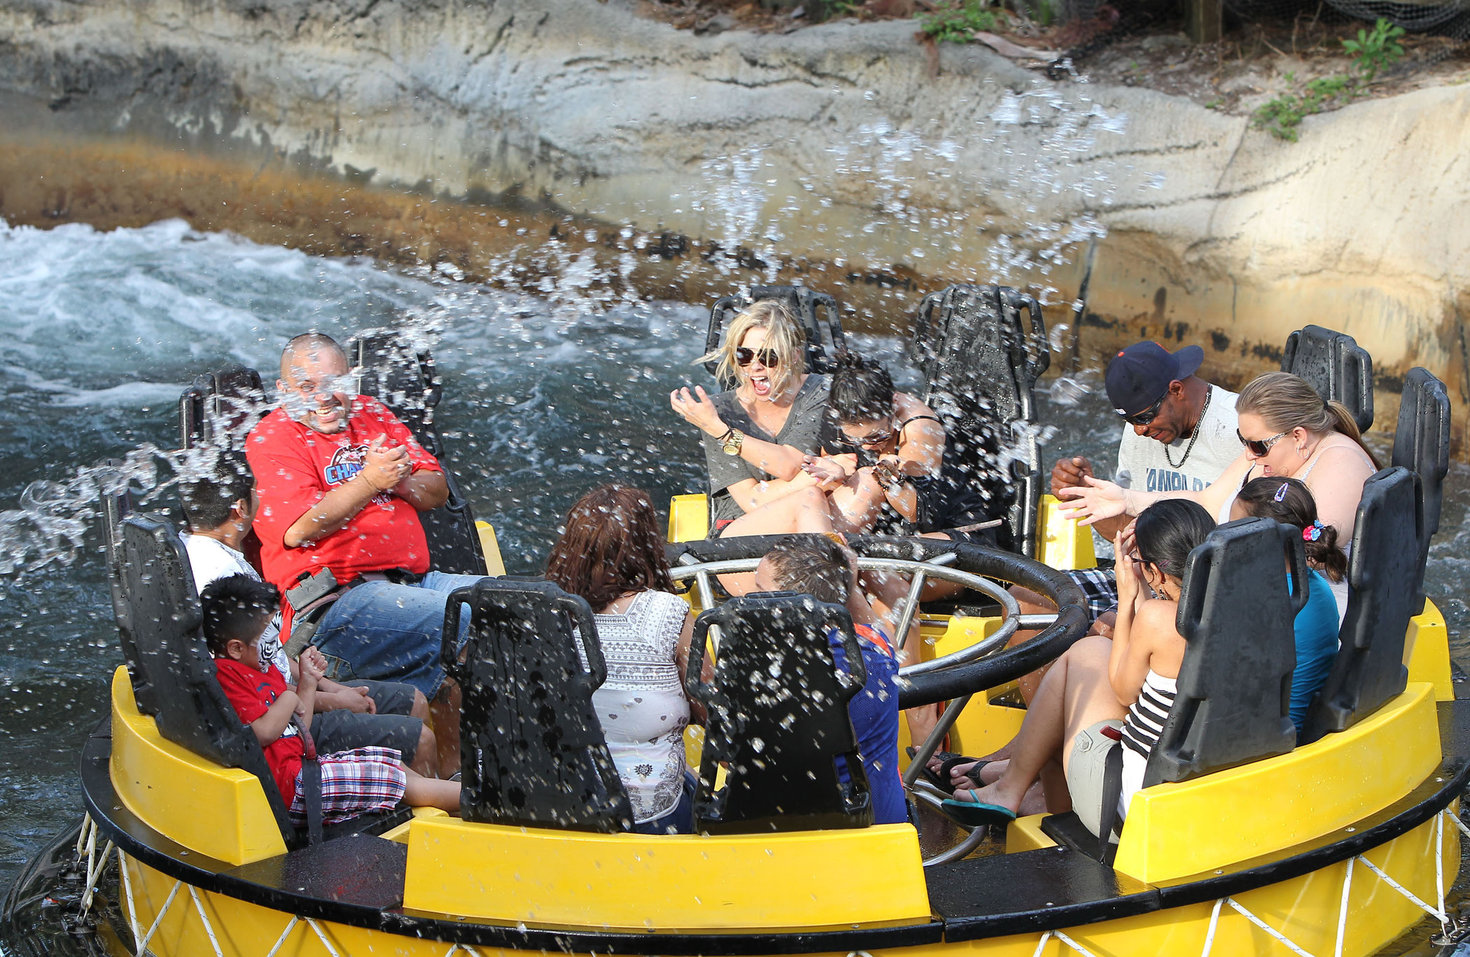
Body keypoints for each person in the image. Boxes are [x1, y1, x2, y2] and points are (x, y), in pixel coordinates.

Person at [245, 332, 485, 776]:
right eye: (307, 386)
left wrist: (395, 479)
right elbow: (299, 529)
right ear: (283, 392)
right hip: (334, 605)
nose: (325, 396)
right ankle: (457, 779)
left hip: (413, 584)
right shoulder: (273, 437)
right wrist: (372, 480)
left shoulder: (372, 413)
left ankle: (498, 758)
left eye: (335, 381)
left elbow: (435, 489)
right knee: (463, 616)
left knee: (517, 607)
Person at [942, 500, 1214, 831]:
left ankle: (1013, 788)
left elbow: (1124, 689)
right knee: (1089, 656)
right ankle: (1014, 786)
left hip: (1136, 804)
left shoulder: (1157, 619)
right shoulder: (1241, 610)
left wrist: (1128, 599)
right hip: (1203, 784)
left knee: (1082, 661)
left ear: (1154, 571)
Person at [178, 455, 440, 778]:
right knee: (422, 740)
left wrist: (333, 689)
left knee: (414, 701)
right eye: (255, 492)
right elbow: (264, 695)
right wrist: (335, 700)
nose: (260, 498)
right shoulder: (223, 580)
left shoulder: (191, 552)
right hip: (285, 732)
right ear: (240, 509)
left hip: (293, 696)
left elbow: (271, 656)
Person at [1060, 370, 1378, 619]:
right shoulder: (1270, 454)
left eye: (1256, 444)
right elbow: (1209, 502)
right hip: (1236, 597)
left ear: (1297, 436)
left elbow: (1305, 557)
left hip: (1287, 618)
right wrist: (1128, 499)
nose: (1249, 455)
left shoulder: (1341, 464)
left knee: (1103, 628)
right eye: (1243, 440)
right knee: (1051, 598)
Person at [202, 574, 460, 825]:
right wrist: (290, 698)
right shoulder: (228, 674)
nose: (277, 646)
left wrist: (308, 682)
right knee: (390, 776)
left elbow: (301, 727)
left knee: (391, 763)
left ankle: (459, 802)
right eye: (269, 638)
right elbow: (265, 731)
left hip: (303, 769)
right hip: (293, 788)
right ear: (236, 648)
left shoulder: (262, 666)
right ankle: (477, 802)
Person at [545, 485, 710, 835]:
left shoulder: (550, 613)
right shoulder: (668, 613)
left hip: (568, 801)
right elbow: (711, 707)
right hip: (651, 811)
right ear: (648, 543)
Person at [752, 535, 906, 826]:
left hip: (789, 832)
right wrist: (848, 585)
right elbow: (884, 639)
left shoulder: (763, 668)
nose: (746, 598)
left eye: (760, 590)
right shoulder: (876, 651)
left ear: (787, 603)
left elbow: (732, 758)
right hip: (879, 827)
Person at [669, 300, 834, 541]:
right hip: (742, 530)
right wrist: (812, 479)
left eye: (768, 357)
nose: (755, 366)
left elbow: (788, 463)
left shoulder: (819, 392)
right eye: (743, 355)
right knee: (810, 497)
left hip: (810, 524)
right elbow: (752, 499)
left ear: (794, 355)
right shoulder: (715, 413)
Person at [1232, 477, 1343, 732]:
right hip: (1301, 722)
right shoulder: (1314, 585)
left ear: (1263, 541)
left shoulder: (1262, 600)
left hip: (1273, 736)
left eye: (1233, 530)